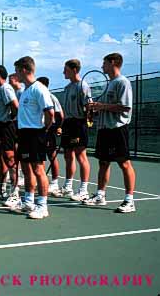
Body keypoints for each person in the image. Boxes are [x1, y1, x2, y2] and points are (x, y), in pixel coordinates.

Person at [83, 53, 136, 213]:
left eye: (104, 63)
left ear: (112, 63)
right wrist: (95, 109)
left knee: (124, 163)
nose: (102, 66)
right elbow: (106, 107)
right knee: (103, 162)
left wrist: (102, 106)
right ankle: (100, 195)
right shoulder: (109, 83)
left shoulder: (122, 82)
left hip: (118, 129)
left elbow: (125, 107)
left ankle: (129, 200)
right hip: (104, 130)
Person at [6, 56, 54, 219]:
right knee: (26, 170)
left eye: (17, 71)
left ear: (24, 70)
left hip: (35, 134)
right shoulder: (26, 90)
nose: (15, 74)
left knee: (38, 170)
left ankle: (42, 206)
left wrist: (43, 130)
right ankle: (28, 201)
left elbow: (50, 113)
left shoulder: (39, 89)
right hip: (24, 134)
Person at [58, 59, 92, 201]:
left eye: (65, 69)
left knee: (80, 155)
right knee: (68, 155)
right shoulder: (67, 88)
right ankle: (68, 186)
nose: (63, 72)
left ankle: (83, 190)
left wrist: (87, 122)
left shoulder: (83, 86)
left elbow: (89, 108)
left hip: (79, 124)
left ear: (74, 70)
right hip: (68, 124)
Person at [0, 65, 19, 199]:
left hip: (6, 127)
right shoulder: (1, 89)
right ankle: (2, 188)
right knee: (0, 159)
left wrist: (10, 120)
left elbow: (15, 106)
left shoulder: (6, 88)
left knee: (9, 157)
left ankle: (15, 191)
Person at [36, 77, 64, 196]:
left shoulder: (51, 97)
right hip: (40, 129)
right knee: (40, 156)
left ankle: (55, 183)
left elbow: (60, 114)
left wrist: (58, 127)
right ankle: (44, 182)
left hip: (49, 129)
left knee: (51, 155)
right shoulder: (39, 96)